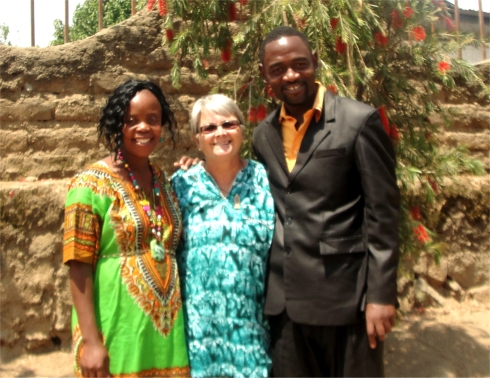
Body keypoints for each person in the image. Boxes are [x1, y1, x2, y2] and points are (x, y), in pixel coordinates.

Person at [252, 26, 400, 377]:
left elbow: (383, 214)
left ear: (315, 62)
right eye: (277, 69)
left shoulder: (358, 121)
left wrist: (381, 295)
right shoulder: (263, 135)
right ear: (265, 76)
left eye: (299, 64)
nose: (290, 75)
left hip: (346, 300)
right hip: (285, 307)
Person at [62, 79, 190, 377]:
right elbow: (78, 266)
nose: (143, 128)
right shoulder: (89, 185)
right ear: (116, 124)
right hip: (115, 328)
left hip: (167, 335)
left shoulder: (164, 181)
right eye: (131, 120)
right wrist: (92, 342)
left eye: (152, 120)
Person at [171, 94, 275, 378]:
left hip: (253, 331)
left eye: (228, 124)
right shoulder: (180, 186)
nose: (220, 133)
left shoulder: (266, 180)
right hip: (198, 335)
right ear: (197, 139)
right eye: (209, 128)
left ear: (242, 130)